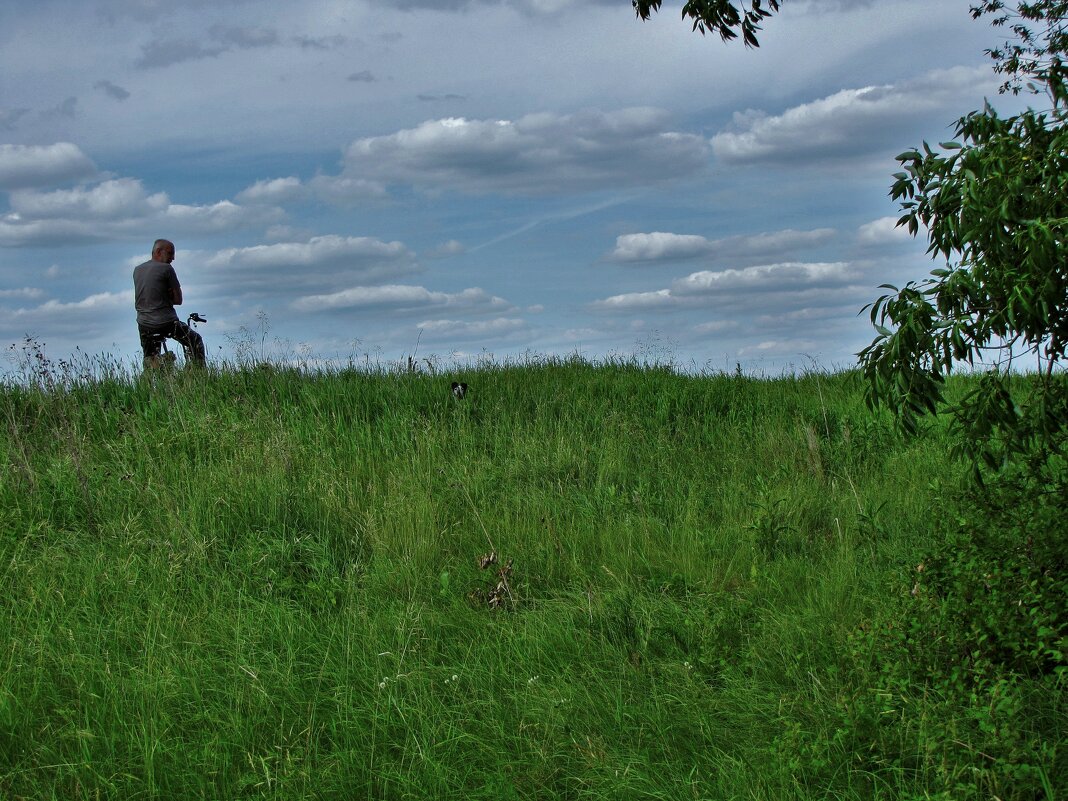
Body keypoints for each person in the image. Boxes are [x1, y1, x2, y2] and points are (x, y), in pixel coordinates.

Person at [132, 238, 206, 368]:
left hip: (144, 323)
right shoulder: (167, 268)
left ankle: (148, 381)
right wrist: (168, 295)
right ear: (159, 252)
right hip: (165, 322)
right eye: (170, 253)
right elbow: (178, 300)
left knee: (150, 358)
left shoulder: (137, 270)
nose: (173, 258)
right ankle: (200, 374)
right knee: (195, 341)